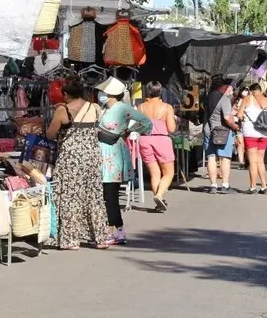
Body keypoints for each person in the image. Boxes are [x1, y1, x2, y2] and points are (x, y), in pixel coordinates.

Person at [46, 77, 109, 250]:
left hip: (71, 158)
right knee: (94, 196)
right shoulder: (94, 107)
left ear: (66, 94)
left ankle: (71, 239)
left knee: (70, 197)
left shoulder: (63, 110)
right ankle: (100, 238)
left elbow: (50, 134)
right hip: (92, 156)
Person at [95, 77, 152, 245]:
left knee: (110, 194)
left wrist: (128, 130)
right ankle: (118, 231)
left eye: (104, 92)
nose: (102, 95)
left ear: (111, 94)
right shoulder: (106, 109)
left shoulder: (123, 108)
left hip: (112, 153)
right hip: (106, 152)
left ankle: (110, 232)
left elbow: (146, 122)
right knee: (109, 194)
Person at [138, 82, 177, 212]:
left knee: (155, 173)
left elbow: (137, 125)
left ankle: (159, 203)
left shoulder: (141, 107)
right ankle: (159, 195)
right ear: (160, 92)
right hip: (161, 139)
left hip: (145, 139)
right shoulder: (167, 107)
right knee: (169, 173)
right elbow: (171, 128)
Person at [237, 82, 267, 194]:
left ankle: (253, 187)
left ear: (251, 91)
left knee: (252, 161)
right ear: (260, 90)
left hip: (251, 133)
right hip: (264, 133)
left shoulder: (247, 99)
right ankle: (264, 186)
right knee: (260, 161)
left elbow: (239, 115)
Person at [204, 79, 240, 194]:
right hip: (222, 131)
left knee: (211, 157)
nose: (231, 90)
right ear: (224, 87)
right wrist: (235, 126)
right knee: (225, 158)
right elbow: (227, 118)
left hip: (208, 130)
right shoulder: (224, 99)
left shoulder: (207, 98)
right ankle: (225, 185)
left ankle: (213, 185)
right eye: (230, 87)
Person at [233, 86, 250, 169]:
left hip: (248, 124)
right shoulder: (236, 100)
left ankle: (247, 160)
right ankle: (241, 162)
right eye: (244, 90)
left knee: (247, 143)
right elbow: (232, 110)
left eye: (247, 90)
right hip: (239, 124)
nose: (245, 92)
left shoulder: (250, 101)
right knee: (240, 143)